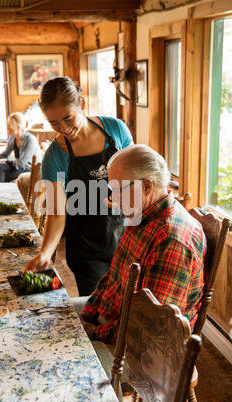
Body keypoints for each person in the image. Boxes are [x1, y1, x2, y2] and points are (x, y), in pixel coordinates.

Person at [75, 144, 206, 344]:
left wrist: (92, 333)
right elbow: (112, 278)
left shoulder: (171, 240)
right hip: (111, 319)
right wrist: (86, 317)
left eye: (118, 190)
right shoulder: (142, 213)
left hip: (139, 351)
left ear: (146, 186)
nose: (113, 198)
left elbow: (149, 328)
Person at [24, 76, 133, 296]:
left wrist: (129, 193)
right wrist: (46, 253)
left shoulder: (116, 130)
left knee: (132, 312)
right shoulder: (54, 157)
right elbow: (56, 213)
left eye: (67, 118)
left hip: (128, 239)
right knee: (98, 315)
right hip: (86, 250)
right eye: (54, 122)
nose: (63, 128)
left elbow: (138, 172)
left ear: (81, 105)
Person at [0, 112, 42, 183]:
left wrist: (5, 161)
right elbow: (5, 154)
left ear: (18, 127)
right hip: (19, 167)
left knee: (1, 171)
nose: (8, 131)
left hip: (30, 169)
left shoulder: (30, 140)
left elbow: (22, 163)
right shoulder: (12, 138)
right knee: (0, 167)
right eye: (8, 128)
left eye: (10, 128)